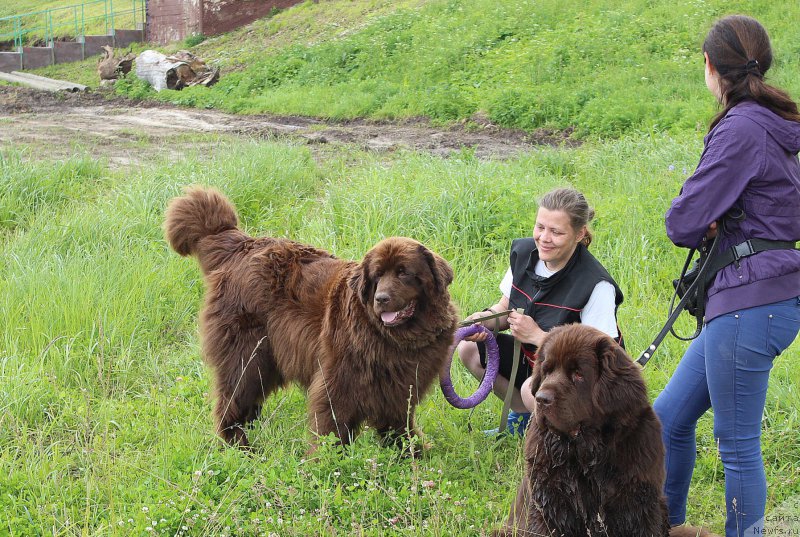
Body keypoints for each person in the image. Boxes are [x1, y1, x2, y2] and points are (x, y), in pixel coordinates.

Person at [652, 15, 800, 537]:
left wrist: (710, 217)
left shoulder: (741, 128)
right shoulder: (774, 123)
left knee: (737, 448)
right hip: (759, 299)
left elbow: (683, 222)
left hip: (748, 305)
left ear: (711, 66)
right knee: (666, 418)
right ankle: (664, 525)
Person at [458, 187, 624, 436]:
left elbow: (600, 358)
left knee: (531, 388)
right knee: (469, 349)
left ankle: (565, 438)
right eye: (540, 227)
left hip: (582, 380)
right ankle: (524, 418)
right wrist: (485, 320)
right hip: (535, 362)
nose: (544, 238)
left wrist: (538, 337)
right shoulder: (523, 254)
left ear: (579, 234)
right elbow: (505, 307)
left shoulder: (595, 284)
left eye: (556, 232)